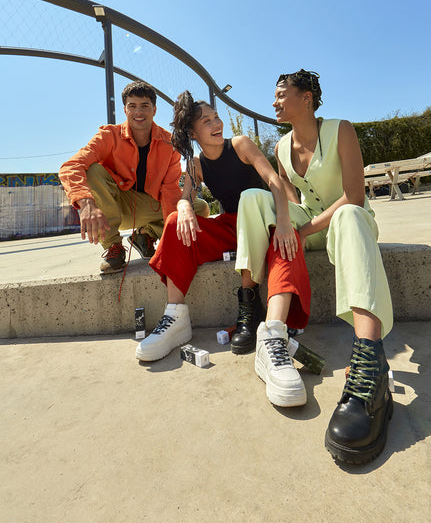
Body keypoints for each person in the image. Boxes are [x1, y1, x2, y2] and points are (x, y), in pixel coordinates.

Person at [235, 69, 394, 464]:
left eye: (280, 94)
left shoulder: (341, 130)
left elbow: (354, 195)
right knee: (252, 199)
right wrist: (288, 222)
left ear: (306, 98)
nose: (274, 102)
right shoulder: (281, 146)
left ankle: (370, 358)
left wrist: (301, 229)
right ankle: (249, 301)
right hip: (309, 226)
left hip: (348, 222)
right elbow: (288, 199)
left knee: (351, 215)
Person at [135, 90, 299, 363]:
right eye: (207, 121)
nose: (217, 124)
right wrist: (185, 206)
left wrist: (284, 221)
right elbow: (185, 197)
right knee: (176, 221)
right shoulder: (195, 164)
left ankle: (249, 305)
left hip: (266, 220)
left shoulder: (241, 144)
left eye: (217, 117)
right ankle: (176, 316)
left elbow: (273, 181)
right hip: (232, 227)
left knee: (248, 201)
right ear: (193, 133)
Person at [59, 81, 207, 274]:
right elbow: (70, 166)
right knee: (93, 170)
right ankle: (114, 247)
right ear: (125, 110)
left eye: (145, 106)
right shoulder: (109, 135)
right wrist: (86, 203)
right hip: (115, 205)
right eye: (132, 106)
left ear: (154, 110)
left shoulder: (169, 143)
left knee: (199, 207)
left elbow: (170, 192)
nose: (139, 112)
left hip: (150, 205)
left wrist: (173, 240)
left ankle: (145, 234)